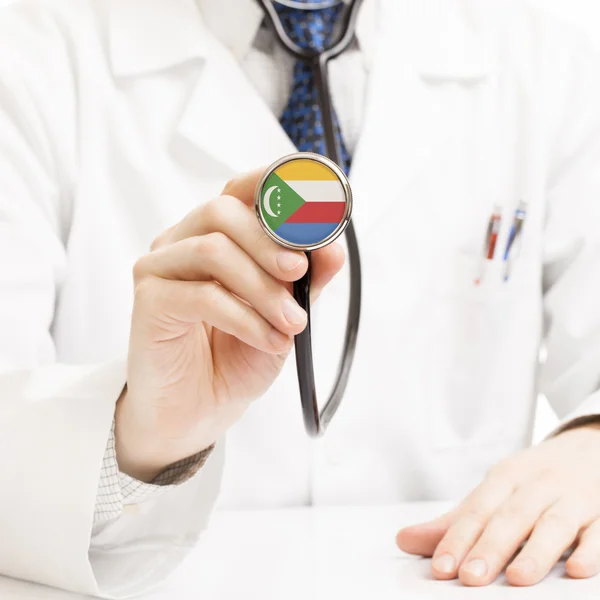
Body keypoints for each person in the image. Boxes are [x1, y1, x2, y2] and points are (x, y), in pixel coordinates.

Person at [1, 0, 600, 596]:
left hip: (459, 578)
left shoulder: (550, 61)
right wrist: (143, 442)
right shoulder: (30, 56)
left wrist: (591, 441)